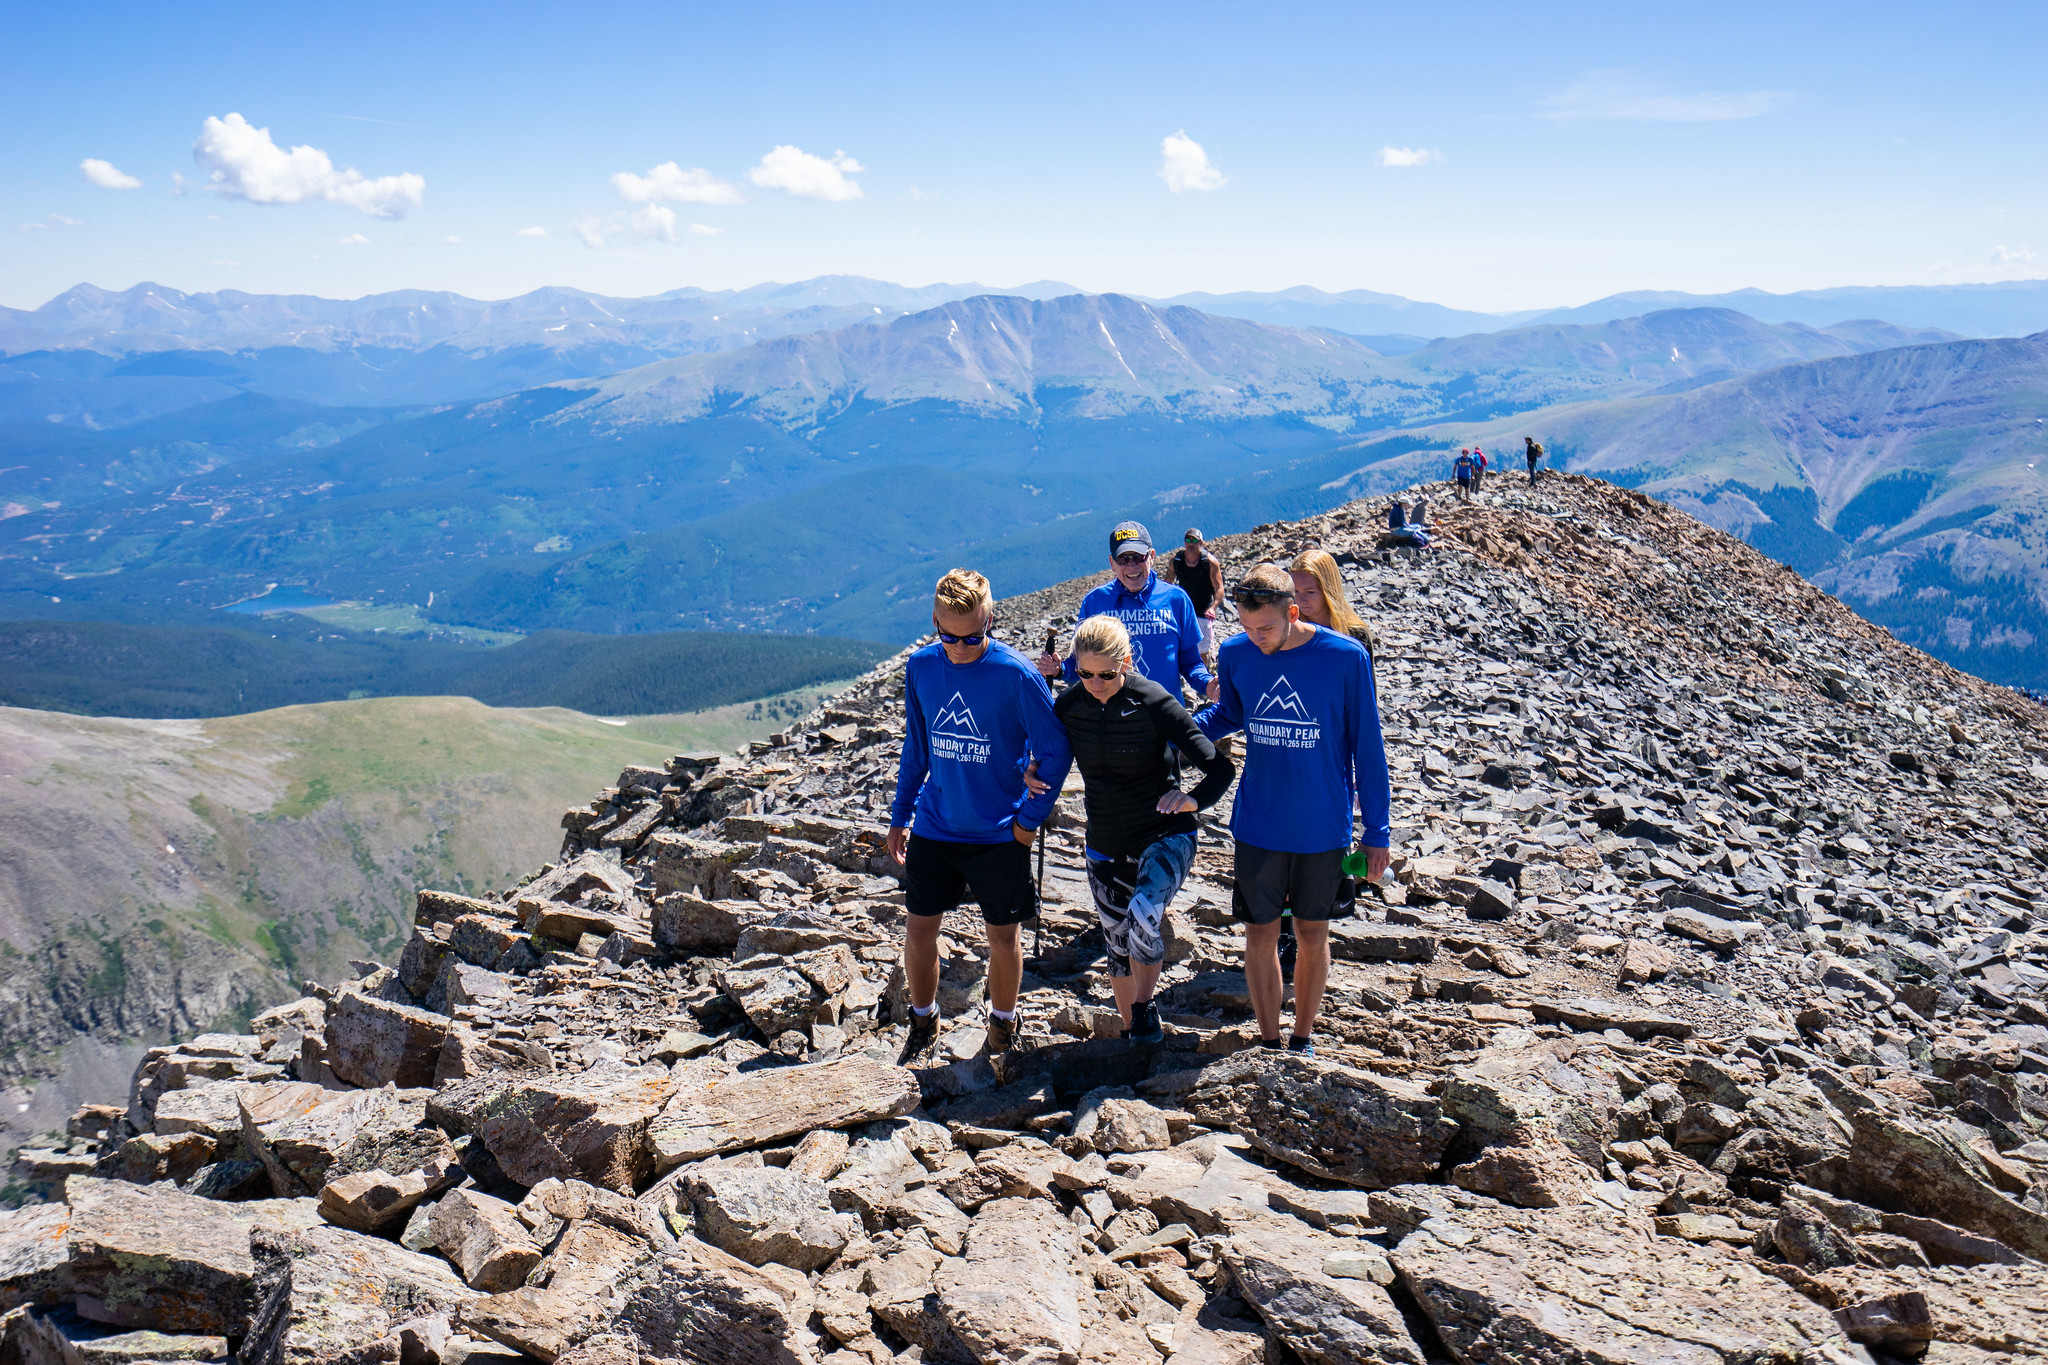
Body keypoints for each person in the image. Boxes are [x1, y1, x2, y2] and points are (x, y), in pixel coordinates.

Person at [1194, 565, 1392, 1055]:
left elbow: (1368, 747)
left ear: (1294, 611)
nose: (1254, 637)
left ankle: (1302, 1036)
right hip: (1259, 820)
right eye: (1246, 626)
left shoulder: (1345, 658)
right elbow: (1229, 714)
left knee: (1311, 930)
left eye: (1265, 627)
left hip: (1323, 825)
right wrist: (1179, 730)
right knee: (1259, 932)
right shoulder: (1239, 652)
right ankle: (1268, 1038)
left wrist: (1377, 832)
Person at [890, 568, 1073, 1061]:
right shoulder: (922, 667)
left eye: (972, 636)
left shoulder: (1017, 674)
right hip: (935, 823)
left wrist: (1028, 821)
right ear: (933, 621)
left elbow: (1056, 751)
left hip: (999, 833)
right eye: (947, 636)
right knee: (919, 927)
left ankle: (1003, 1025)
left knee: (1002, 935)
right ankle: (923, 1019)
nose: (959, 647)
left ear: (990, 618)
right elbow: (918, 747)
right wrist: (900, 814)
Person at [1025, 616, 1234, 1043]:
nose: (1096, 682)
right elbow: (1038, 749)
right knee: (1117, 944)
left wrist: (1193, 799)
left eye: (1107, 673)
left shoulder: (1153, 701)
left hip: (1164, 834)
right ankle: (1132, 1035)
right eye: (1084, 673)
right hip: (1104, 839)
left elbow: (1220, 767)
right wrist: (1026, 769)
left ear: (1126, 662)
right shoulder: (1069, 706)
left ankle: (1144, 1005)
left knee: (1142, 917)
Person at [1039, 520, 1214, 702]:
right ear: (1112, 563)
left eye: (1138, 557)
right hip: (1109, 720)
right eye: (1123, 559)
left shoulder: (1176, 599)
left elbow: (1191, 662)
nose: (1132, 566)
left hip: (1164, 717)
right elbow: (1081, 664)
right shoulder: (1095, 602)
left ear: (1152, 556)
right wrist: (1059, 670)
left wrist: (1208, 685)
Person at [1161, 527, 1224, 668]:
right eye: (1188, 539)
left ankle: (1202, 676)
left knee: (1202, 649)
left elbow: (1219, 588)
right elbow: (1168, 582)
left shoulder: (1209, 562)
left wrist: (1213, 608)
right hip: (1182, 610)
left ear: (1201, 542)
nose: (1190, 543)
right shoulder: (1177, 561)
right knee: (1179, 644)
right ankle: (1179, 675)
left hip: (1203, 610)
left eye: (1194, 540)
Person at [1289, 549, 1374, 651]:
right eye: (1296, 591)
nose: (1301, 600)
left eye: (1310, 592)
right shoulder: (1287, 631)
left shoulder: (1356, 635)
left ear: (1329, 590)